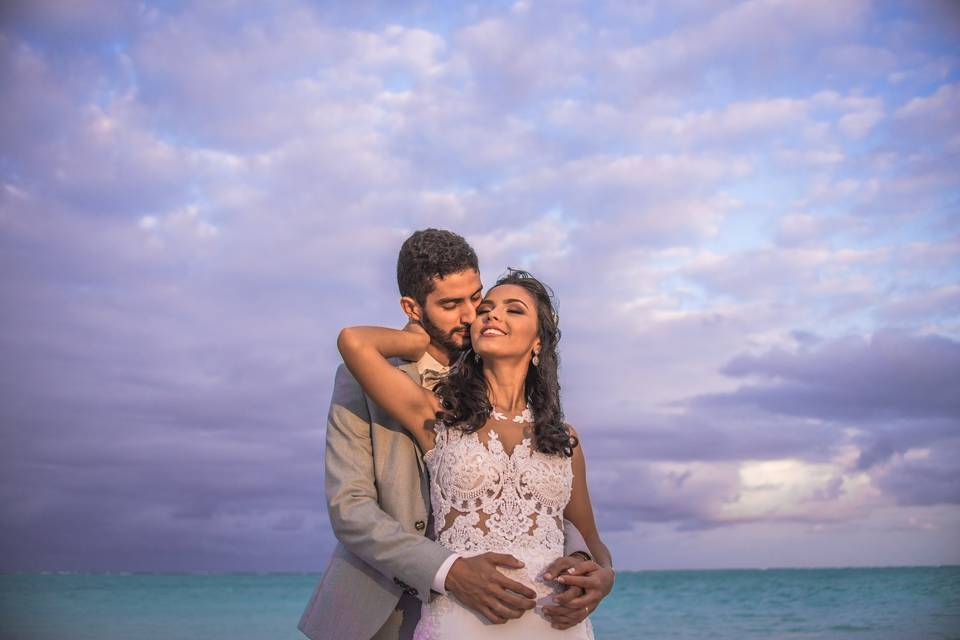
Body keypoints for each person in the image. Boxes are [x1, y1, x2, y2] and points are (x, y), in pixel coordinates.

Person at [298, 230, 614, 640]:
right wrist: (449, 571)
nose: (473, 315)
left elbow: (558, 513)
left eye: (476, 298)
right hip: (388, 605)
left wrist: (594, 570)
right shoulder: (381, 384)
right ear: (413, 307)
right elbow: (351, 508)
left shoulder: (551, 426)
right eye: (451, 304)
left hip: (542, 616)